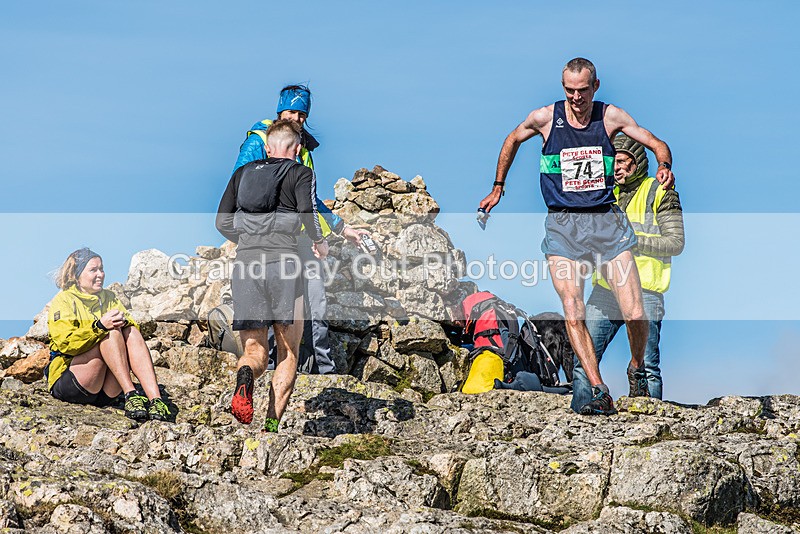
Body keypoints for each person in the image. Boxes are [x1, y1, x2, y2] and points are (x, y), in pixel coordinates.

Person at [479, 58, 676, 415]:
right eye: (569, 90)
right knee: (573, 310)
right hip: (562, 225)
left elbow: (654, 141)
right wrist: (498, 187)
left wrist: (664, 165)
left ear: (595, 86)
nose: (576, 98)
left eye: (582, 90)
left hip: (605, 222)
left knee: (634, 313)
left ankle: (635, 367)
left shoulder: (610, 117)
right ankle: (598, 387)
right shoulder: (544, 117)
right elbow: (512, 138)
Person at [233, 84, 368, 374]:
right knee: (274, 305)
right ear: (280, 111)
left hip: (301, 238)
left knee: (315, 302)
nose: (297, 118)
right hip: (270, 243)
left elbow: (311, 198)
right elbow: (240, 183)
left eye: (302, 114)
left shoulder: (303, 150)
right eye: (292, 111)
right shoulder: (260, 141)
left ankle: (324, 370)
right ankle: (269, 367)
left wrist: (342, 227)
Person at [216, 119, 328, 432]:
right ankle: (270, 425)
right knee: (288, 352)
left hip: (246, 265)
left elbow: (221, 222)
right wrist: (320, 242)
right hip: (285, 265)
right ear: (298, 148)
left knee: (254, 353)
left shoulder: (242, 173)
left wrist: (249, 242)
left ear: (267, 147)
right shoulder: (301, 172)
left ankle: (245, 377)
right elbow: (308, 213)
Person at [572, 135, 685, 409]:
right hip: (606, 291)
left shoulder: (659, 190)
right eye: (613, 162)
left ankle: (651, 426)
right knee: (583, 360)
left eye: (622, 161)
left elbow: (676, 242)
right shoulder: (603, 194)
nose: (616, 168)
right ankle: (581, 418)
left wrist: (631, 240)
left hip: (646, 291)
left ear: (637, 163)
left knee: (648, 367)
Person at [46, 248, 172, 422]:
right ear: (76, 275)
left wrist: (124, 323)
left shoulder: (109, 297)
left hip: (105, 391)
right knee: (109, 332)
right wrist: (98, 326)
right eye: (93, 270)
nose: (100, 274)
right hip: (74, 383)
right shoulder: (64, 300)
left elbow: (129, 323)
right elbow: (65, 343)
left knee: (131, 331)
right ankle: (130, 393)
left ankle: (156, 400)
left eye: (101, 269)